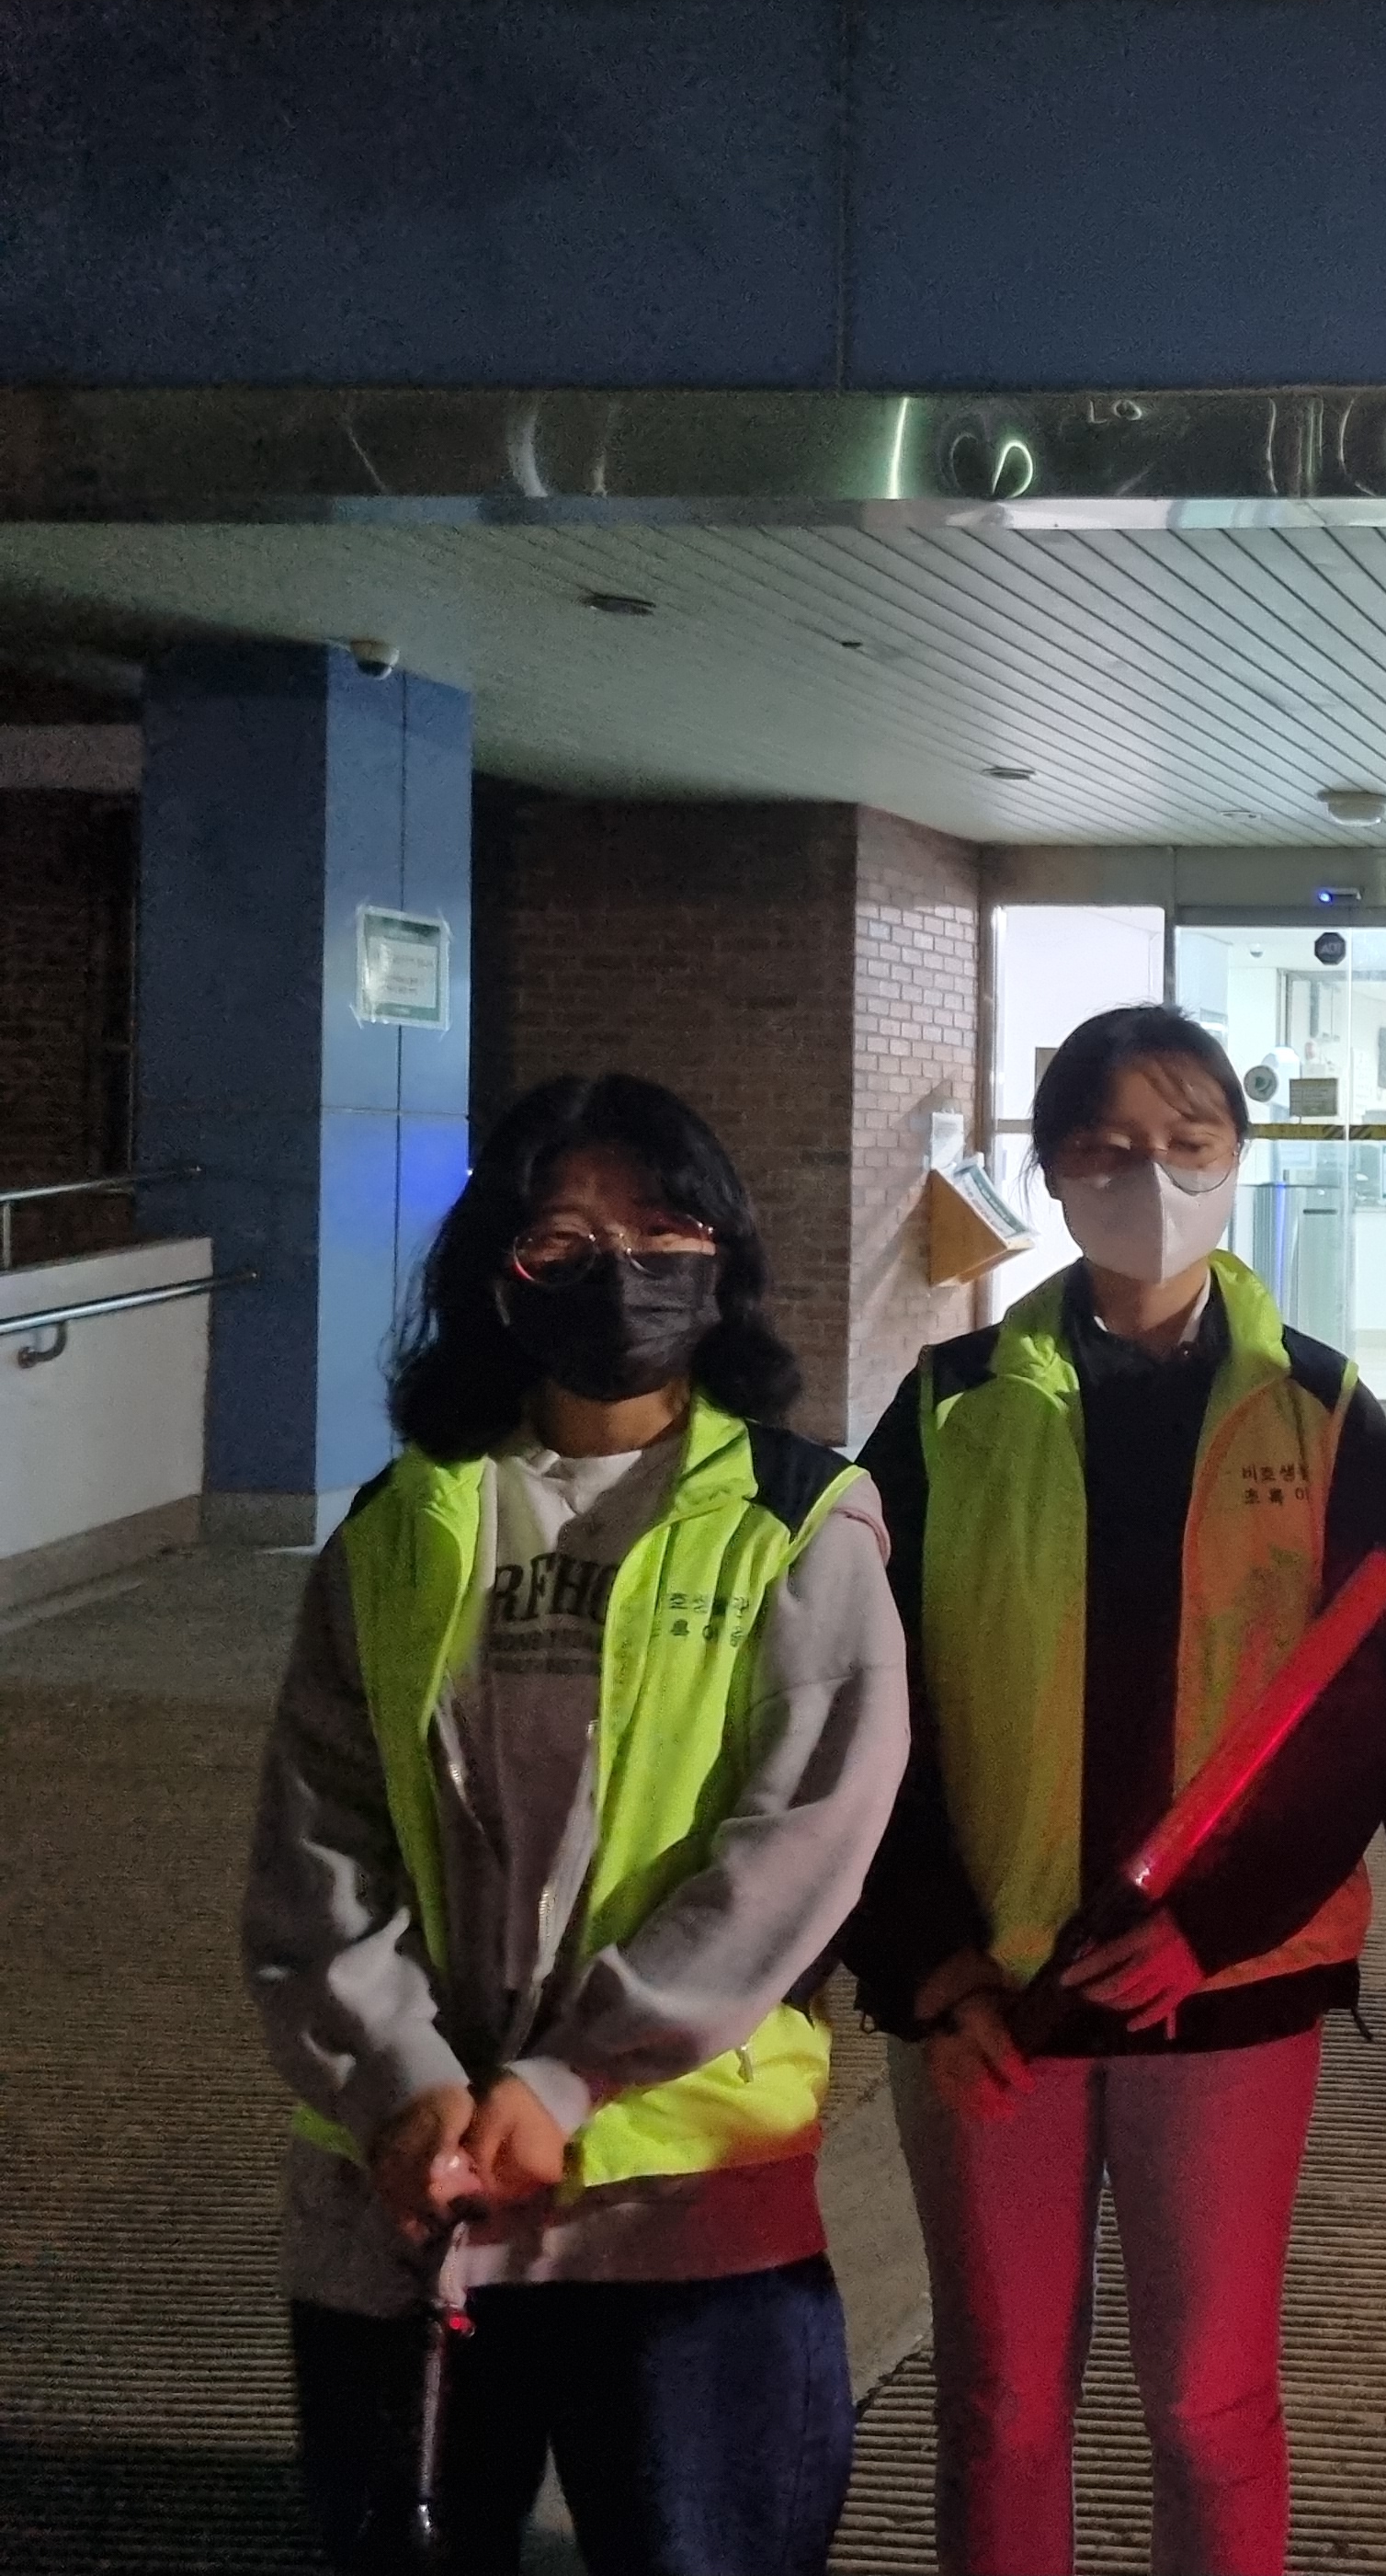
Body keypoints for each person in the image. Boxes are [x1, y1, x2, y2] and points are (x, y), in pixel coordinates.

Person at [245, 1072, 909, 2576]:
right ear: (495, 1270)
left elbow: (802, 1839)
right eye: (564, 1237)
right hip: (416, 2189)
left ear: (723, 1256)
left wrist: (572, 2076)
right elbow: (319, 1835)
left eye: (663, 1229)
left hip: (682, 2196)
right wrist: (403, 2083)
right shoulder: (402, 1524)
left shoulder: (798, 1521)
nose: (620, 1269)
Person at [845, 1003, 1386, 2576]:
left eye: (1187, 1143)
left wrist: (1216, 1928)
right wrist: (928, 1961)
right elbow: (860, 1699)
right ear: (1048, 1169)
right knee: (1002, 2403)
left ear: (1238, 1159)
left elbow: (1367, 1722)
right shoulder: (950, 1407)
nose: (1148, 1178)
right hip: (991, 1996)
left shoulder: (1321, 1410)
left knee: (1211, 2405)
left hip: (1222, 1991)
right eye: (1104, 1149)